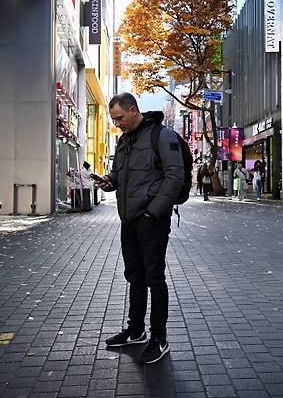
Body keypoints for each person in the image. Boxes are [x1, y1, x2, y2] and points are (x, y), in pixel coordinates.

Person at [94, 93, 184, 364]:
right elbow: (120, 174)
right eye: (113, 119)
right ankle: (136, 331)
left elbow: (175, 176)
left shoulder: (162, 135)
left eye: (119, 118)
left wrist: (153, 212)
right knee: (134, 276)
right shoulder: (124, 141)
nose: (117, 124)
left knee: (154, 277)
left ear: (133, 110)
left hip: (150, 220)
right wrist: (109, 181)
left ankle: (159, 338)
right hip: (129, 219)